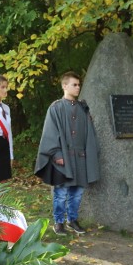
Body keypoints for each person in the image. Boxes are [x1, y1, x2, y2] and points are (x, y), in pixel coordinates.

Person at [34, 72, 99, 235]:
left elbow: (89, 134)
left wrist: (89, 156)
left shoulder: (83, 109)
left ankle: (72, 220)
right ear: (64, 86)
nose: (78, 87)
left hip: (80, 158)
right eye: (74, 84)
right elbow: (50, 132)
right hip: (63, 158)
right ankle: (59, 222)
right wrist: (56, 155)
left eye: (78, 85)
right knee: (61, 192)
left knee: (77, 193)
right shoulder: (55, 108)